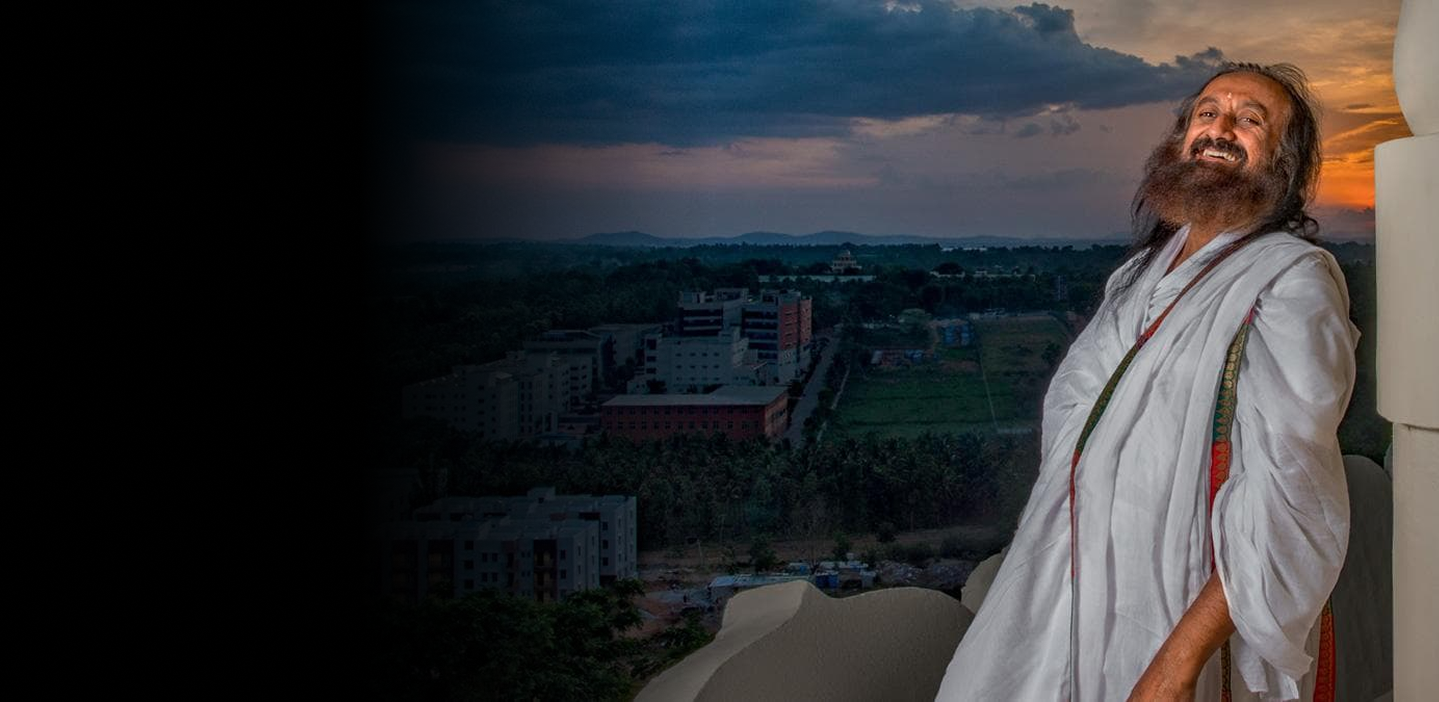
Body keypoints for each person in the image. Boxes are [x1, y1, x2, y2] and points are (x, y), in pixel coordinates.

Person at [935, 62, 1358, 701]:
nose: (1220, 128)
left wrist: (1175, 665)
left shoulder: (1290, 283)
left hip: (1180, 609)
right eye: (1207, 112)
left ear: (1284, 163)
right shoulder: (1140, 275)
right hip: (1071, 582)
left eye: (1251, 120)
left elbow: (1290, 501)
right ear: (1181, 136)